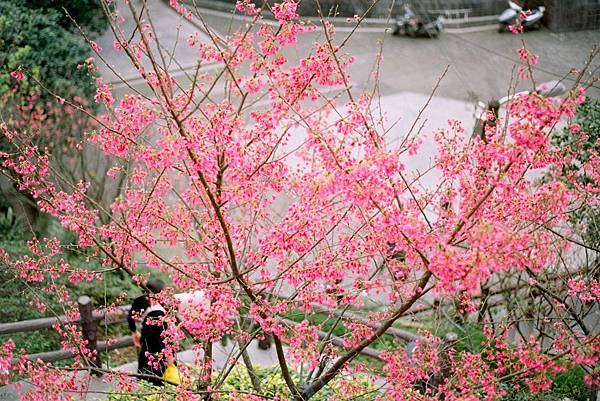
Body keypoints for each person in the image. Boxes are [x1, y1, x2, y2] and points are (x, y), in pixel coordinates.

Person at [127, 279, 169, 386]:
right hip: (156, 343)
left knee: (145, 362)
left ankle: (145, 383)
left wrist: (134, 332)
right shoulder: (157, 311)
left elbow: (130, 316)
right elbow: (162, 337)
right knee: (156, 369)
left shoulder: (142, 300)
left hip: (147, 338)